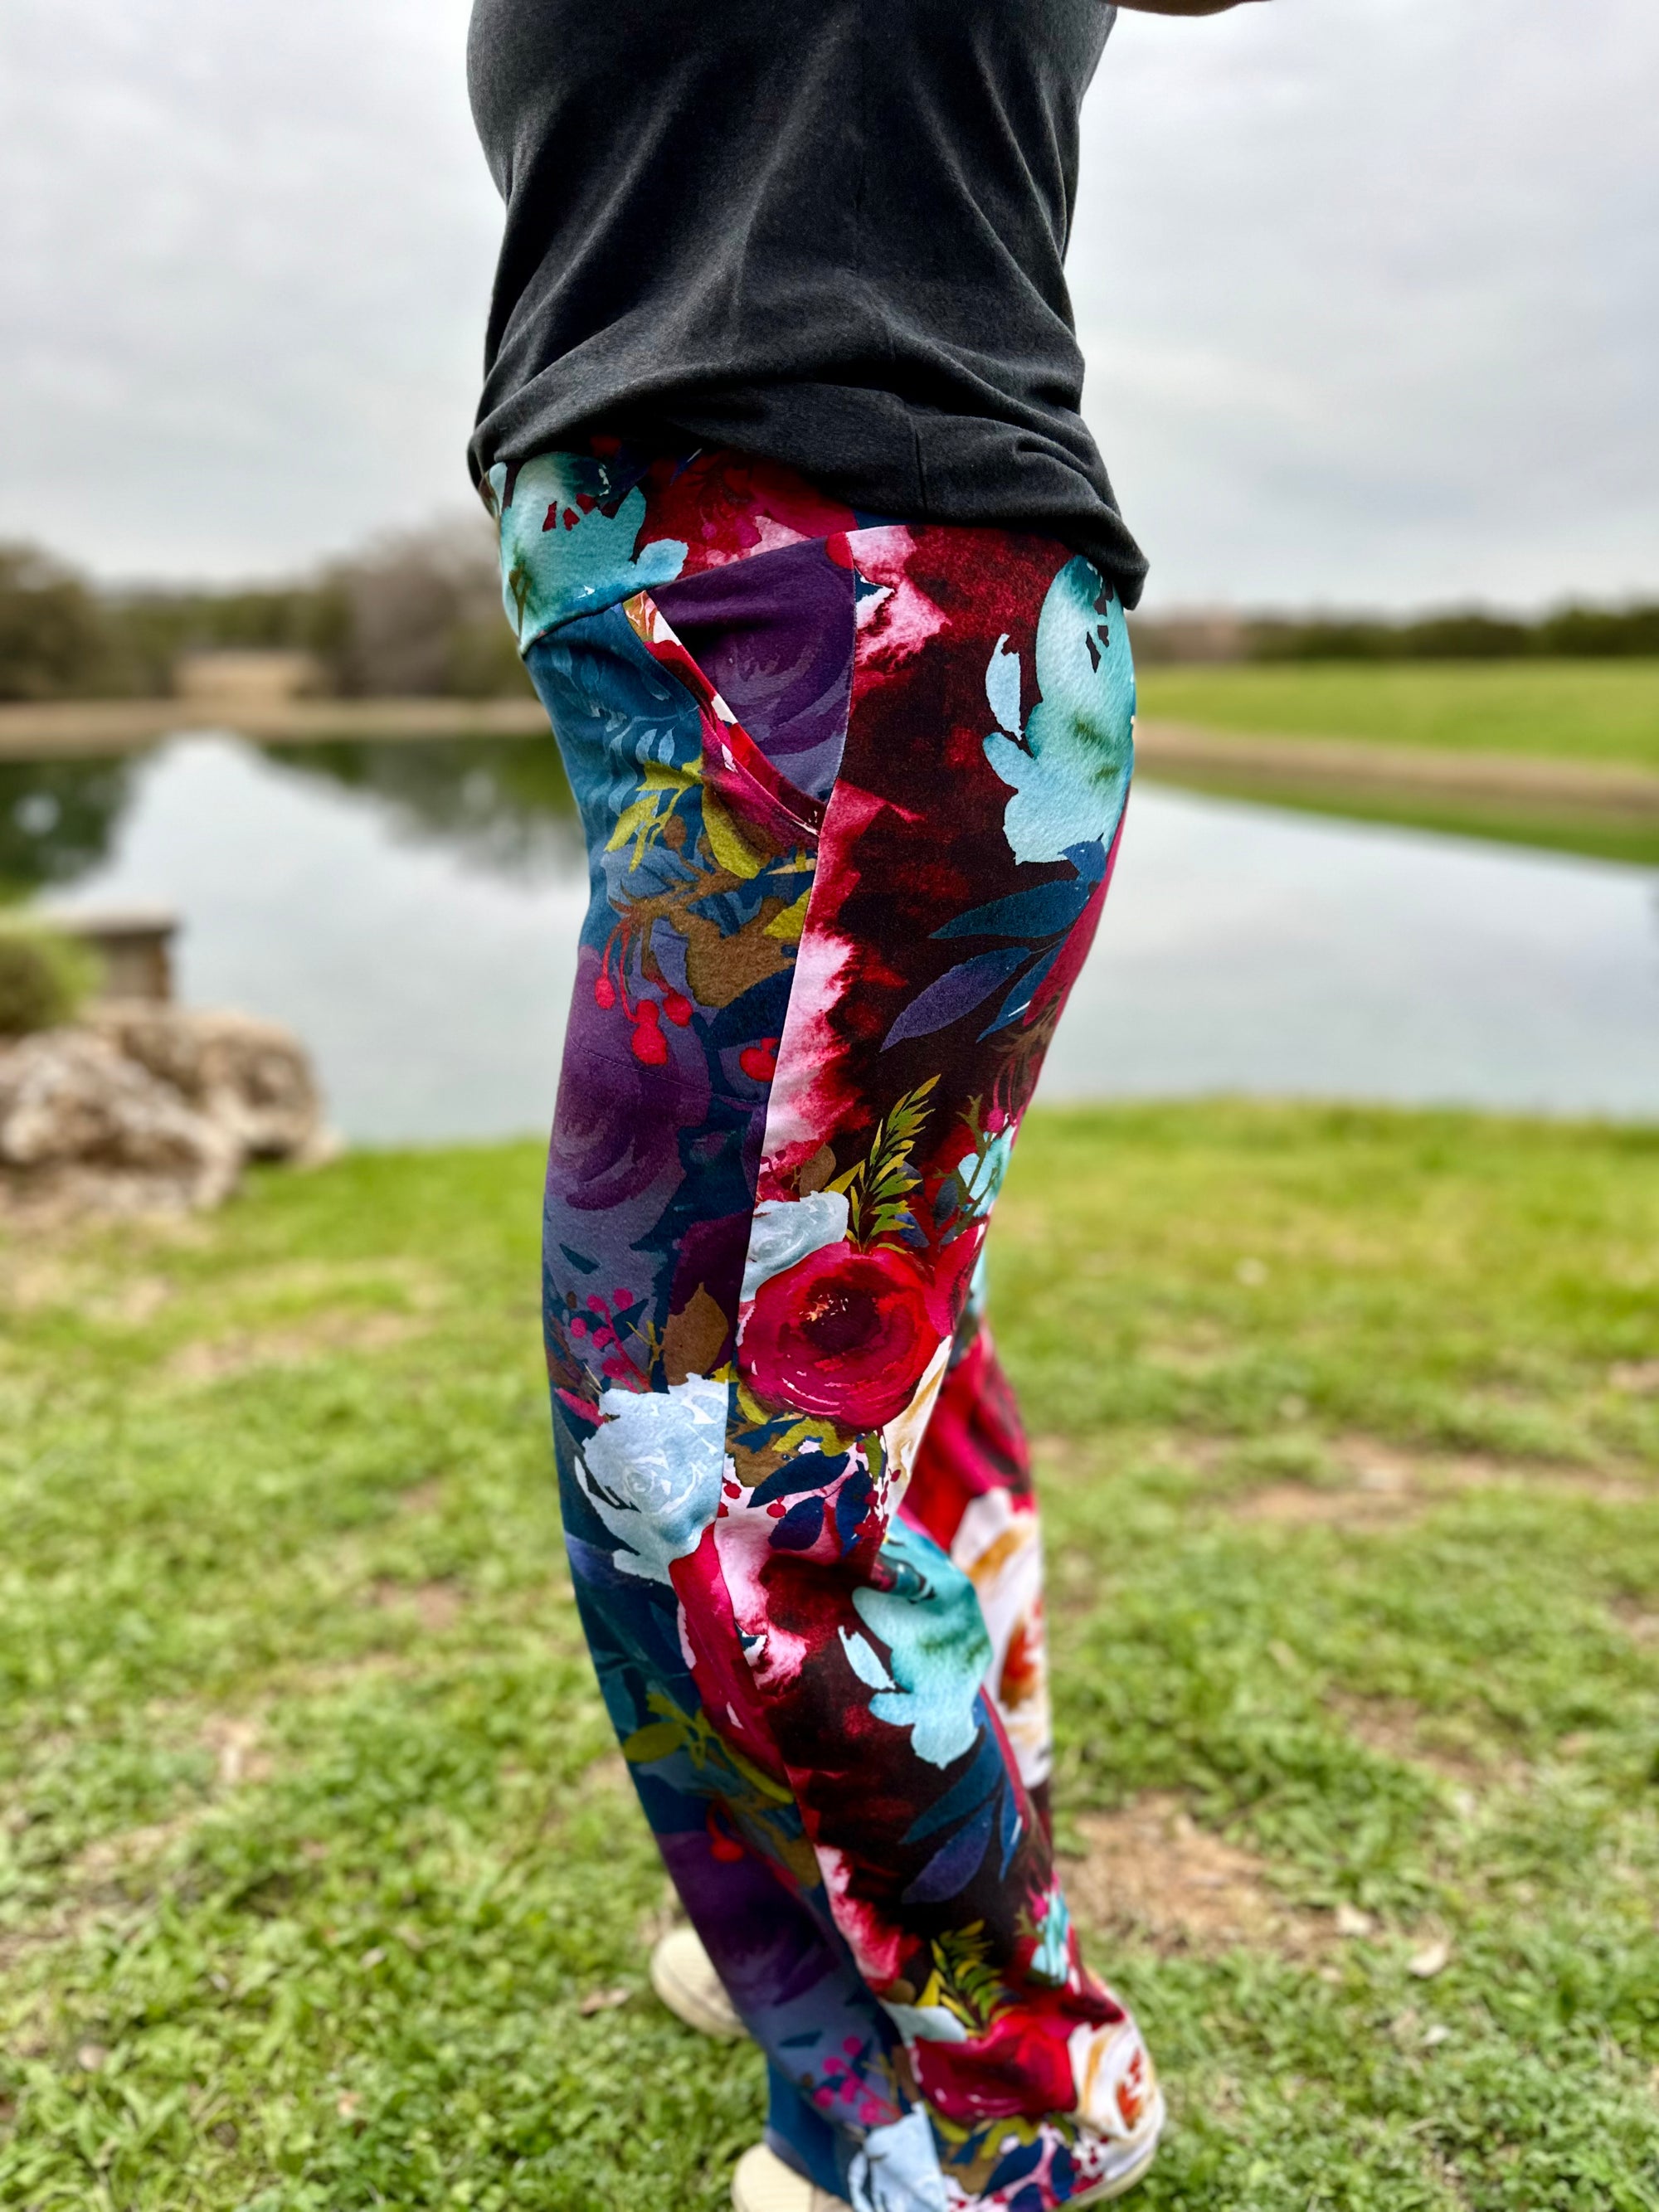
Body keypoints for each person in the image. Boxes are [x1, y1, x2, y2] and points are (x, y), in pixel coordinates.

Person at [465, 2, 1267, 2205]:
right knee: (874, 1365)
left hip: (842, 598)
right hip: (723, 608)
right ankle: (870, 1944)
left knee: (714, 1443)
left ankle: (992, 2116)